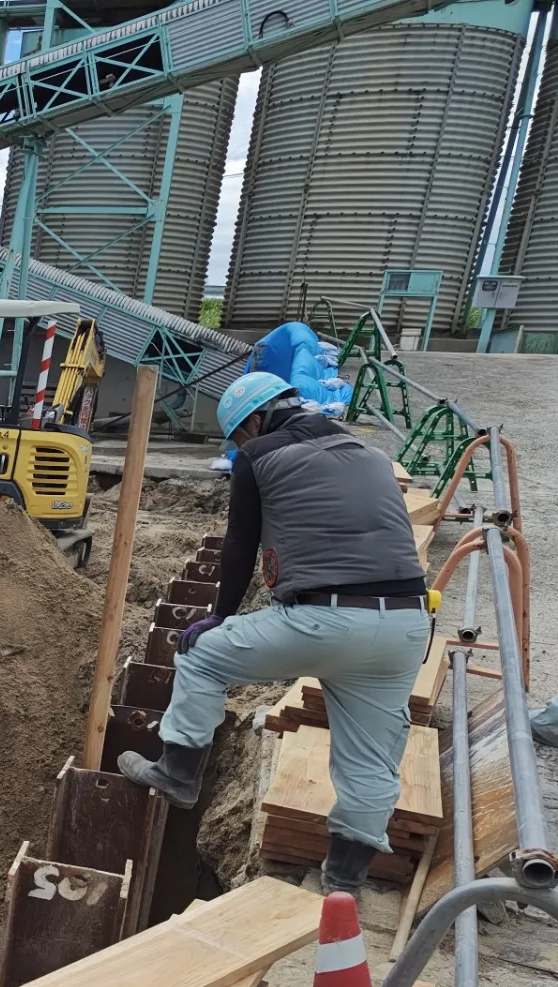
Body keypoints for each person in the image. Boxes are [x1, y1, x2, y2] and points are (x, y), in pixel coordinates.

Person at [117, 371, 431, 896]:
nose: (241, 446)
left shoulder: (257, 457)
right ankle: (343, 881)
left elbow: (238, 546)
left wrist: (218, 616)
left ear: (255, 421)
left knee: (202, 656)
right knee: (372, 761)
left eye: (239, 436)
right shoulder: (371, 454)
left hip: (324, 618)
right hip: (404, 625)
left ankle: (178, 772)